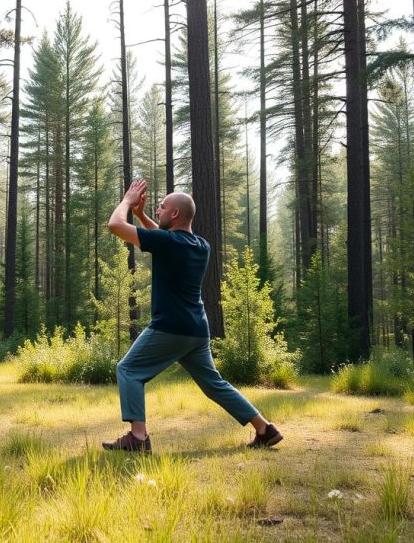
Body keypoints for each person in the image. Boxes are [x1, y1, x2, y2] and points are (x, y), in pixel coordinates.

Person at [101, 180, 282, 453]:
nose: (158, 211)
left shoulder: (169, 242)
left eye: (162, 208)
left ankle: (138, 438)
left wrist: (127, 202)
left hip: (170, 327)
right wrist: (141, 216)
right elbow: (161, 238)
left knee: (128, 370)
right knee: (214, 384)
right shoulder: (200, 245)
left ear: (174, 214)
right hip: (196, 331)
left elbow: (115, 226)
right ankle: (265, 429)